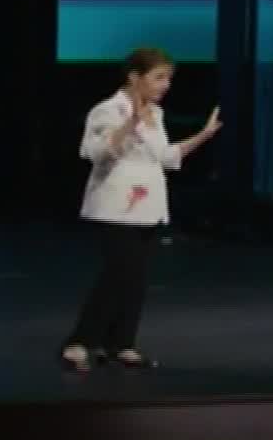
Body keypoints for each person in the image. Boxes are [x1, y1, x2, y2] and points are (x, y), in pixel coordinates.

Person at [61, 45, 223, 372]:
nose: (166, 85)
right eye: (159, 77)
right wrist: (130, 123)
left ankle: (121, 343)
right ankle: (79, 342)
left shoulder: (157, 113)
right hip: (116, 204)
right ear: (135, 77)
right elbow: (96, 154)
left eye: (169, 78)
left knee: (136, 279)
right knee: (118, 273)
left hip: (148, 205)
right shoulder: (107, 110)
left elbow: (164, 156)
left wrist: (203, 136)